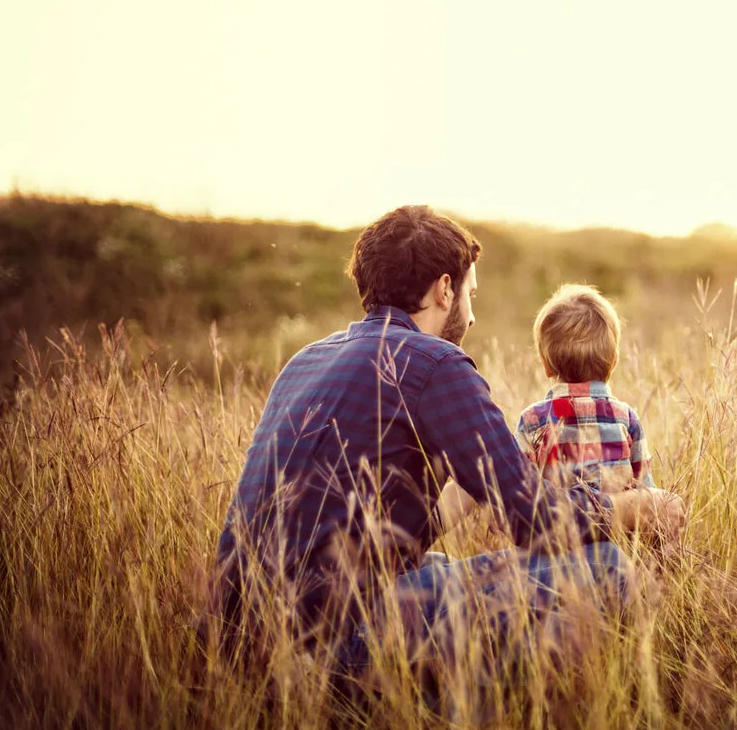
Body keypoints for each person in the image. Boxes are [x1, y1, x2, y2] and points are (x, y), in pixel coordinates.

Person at [209, 205, 686, 685]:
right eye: (470, 295)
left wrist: (463, 494)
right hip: (332, 638)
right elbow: (534, 522)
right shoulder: (435, 363)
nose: (472, 315)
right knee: (608, 567)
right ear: (443, 289)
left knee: (436, 566)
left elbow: (373, 532)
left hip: (238, 636)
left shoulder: (306, 360)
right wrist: (636, 507)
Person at [517, 284, 656, 494]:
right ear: (614, 362)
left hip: (556, 524)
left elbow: (520, 493)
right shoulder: (626, 420)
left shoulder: (532, 421)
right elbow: (647, 496)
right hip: (618, 524)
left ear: (545, 365)